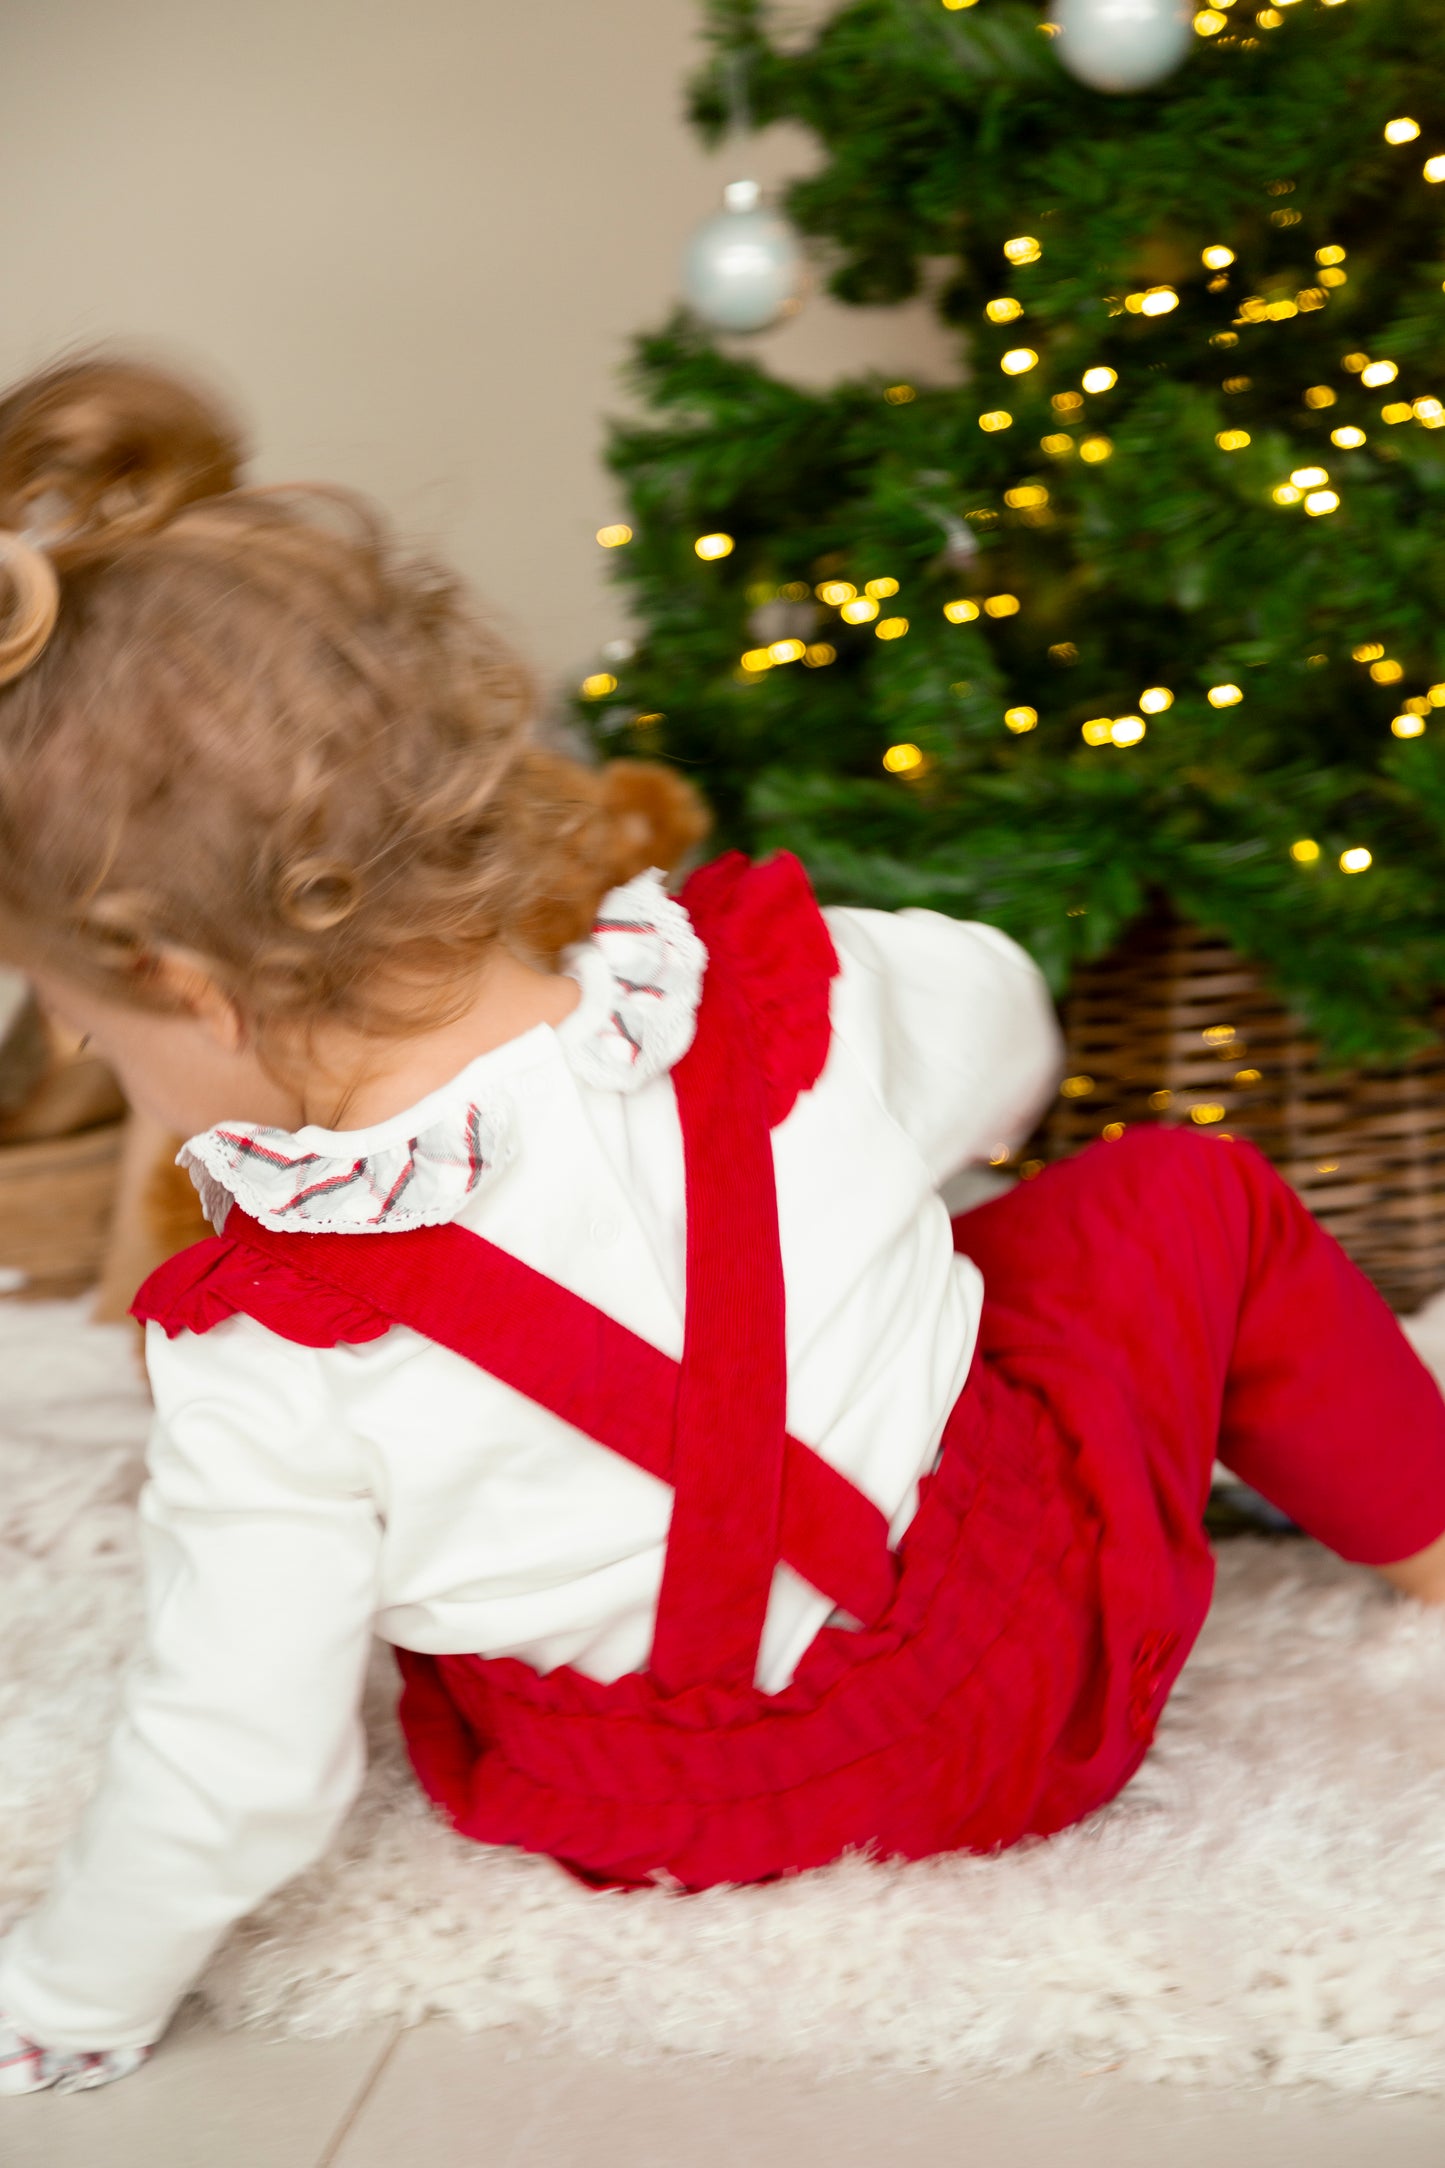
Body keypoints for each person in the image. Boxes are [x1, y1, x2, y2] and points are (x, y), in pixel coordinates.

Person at [1, 359, 1442, 2098]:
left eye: (73, 1002)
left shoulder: (258, 1347)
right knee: (1173, 1196)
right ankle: (1426, 1541)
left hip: (634, 1809)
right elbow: (1010, 1025)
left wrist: (64, 1995)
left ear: (180, 983)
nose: (76, 1042)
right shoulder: (783, 999)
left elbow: (235, 1760)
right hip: (1006, 1698)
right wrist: (897, 1194)